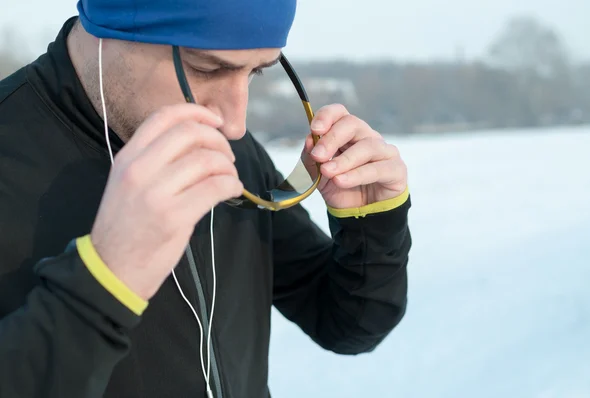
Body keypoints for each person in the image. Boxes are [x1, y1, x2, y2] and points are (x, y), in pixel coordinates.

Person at [0, 0, 412, 397]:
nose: (235, 123)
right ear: (115, 24)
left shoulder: (228, 149)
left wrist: (371, 226)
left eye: (255, 73)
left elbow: (346, 325)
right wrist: (104, 281)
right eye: (207, 69)